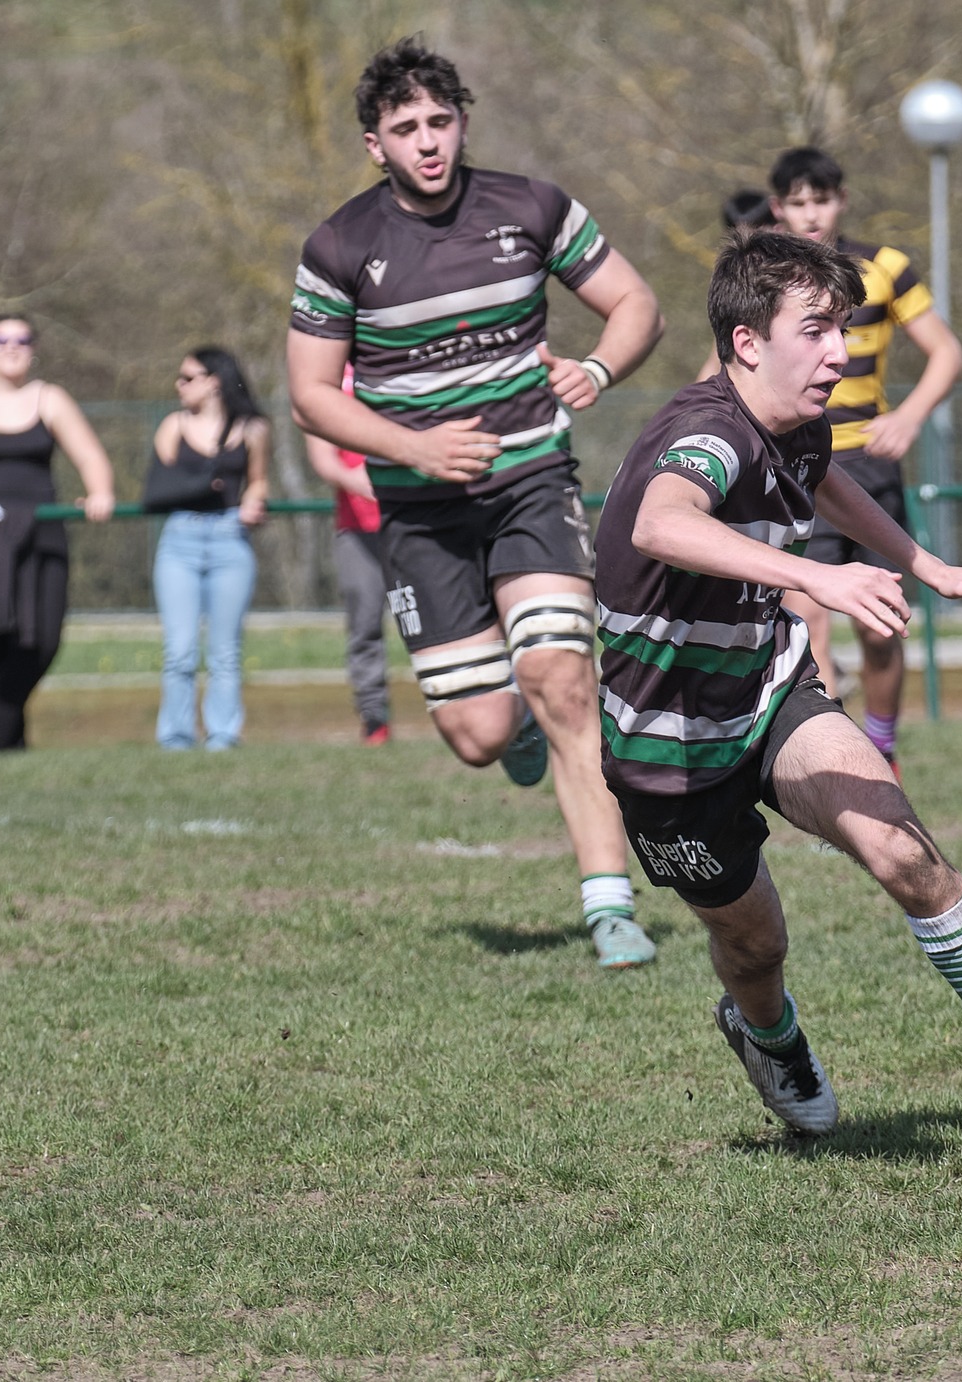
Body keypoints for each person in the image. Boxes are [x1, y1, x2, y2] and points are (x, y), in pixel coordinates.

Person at [600, 229, 962, 1147]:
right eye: (817, 330)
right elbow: (660, 521)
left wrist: (927, 564)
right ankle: (766, 1033)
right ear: (749, 341)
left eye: (844, 329)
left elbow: (825, 478)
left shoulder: (794, 424)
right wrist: (825, 582)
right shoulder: (707, 435)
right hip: (666, 742)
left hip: (768, 690)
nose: (840, 352)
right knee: (756, 948)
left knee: (905, 850)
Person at [286, 36, 664, 969]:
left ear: (463, 124)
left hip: (533, 484)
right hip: (420, 513)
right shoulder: (341, 245)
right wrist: (417, 447)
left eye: (440, 122)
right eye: (404, 127)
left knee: (567, 681)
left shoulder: (530, 207)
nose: (427, 142)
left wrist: (598, 366)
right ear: (374, 143)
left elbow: (636, 304)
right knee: (478, 731)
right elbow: (311, 394)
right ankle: (515, 723)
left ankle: (610, 907)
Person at [696, 148, 962, 777]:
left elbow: (946, 352)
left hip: (865, 466)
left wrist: (909, 416)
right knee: (808, 611)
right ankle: (835, 765)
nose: (810, 212)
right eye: (796, 201)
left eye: (821, 199)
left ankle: (883, 745)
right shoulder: (766, 284)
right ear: (777, 207)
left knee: (879, 627)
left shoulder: (887, 267)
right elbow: (724, 365)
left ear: (841, 200)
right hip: (791, 467)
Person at [0, 315, 116, 750]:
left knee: (43, 638)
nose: (12, 347)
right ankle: (8, 740)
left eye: (21, 339)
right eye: (2, 339)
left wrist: (100, 492)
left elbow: (92, 458)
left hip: (42, 531)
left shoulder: (51, 399)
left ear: (33, 347)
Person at [150, 348, 270, 751]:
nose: (179, 385)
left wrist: (255, 499)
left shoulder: (252, 430)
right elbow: (158, 489)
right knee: (180, 650)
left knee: (225, 651)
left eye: (187, 378)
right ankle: (175, 737)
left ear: (213, 381)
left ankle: (223, 735)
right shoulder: (172, 426)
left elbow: (258, 480)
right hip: (180, 540)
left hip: (230, 541)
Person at [303, 367, 390, 745]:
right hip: (357, 530)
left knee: (438, 619)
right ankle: (374, 719)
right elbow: (324, 459)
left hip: (418, 521)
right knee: (365, 625)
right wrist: (362, 484)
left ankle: (455, 709)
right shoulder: (327, 376)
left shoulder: (401, 356)